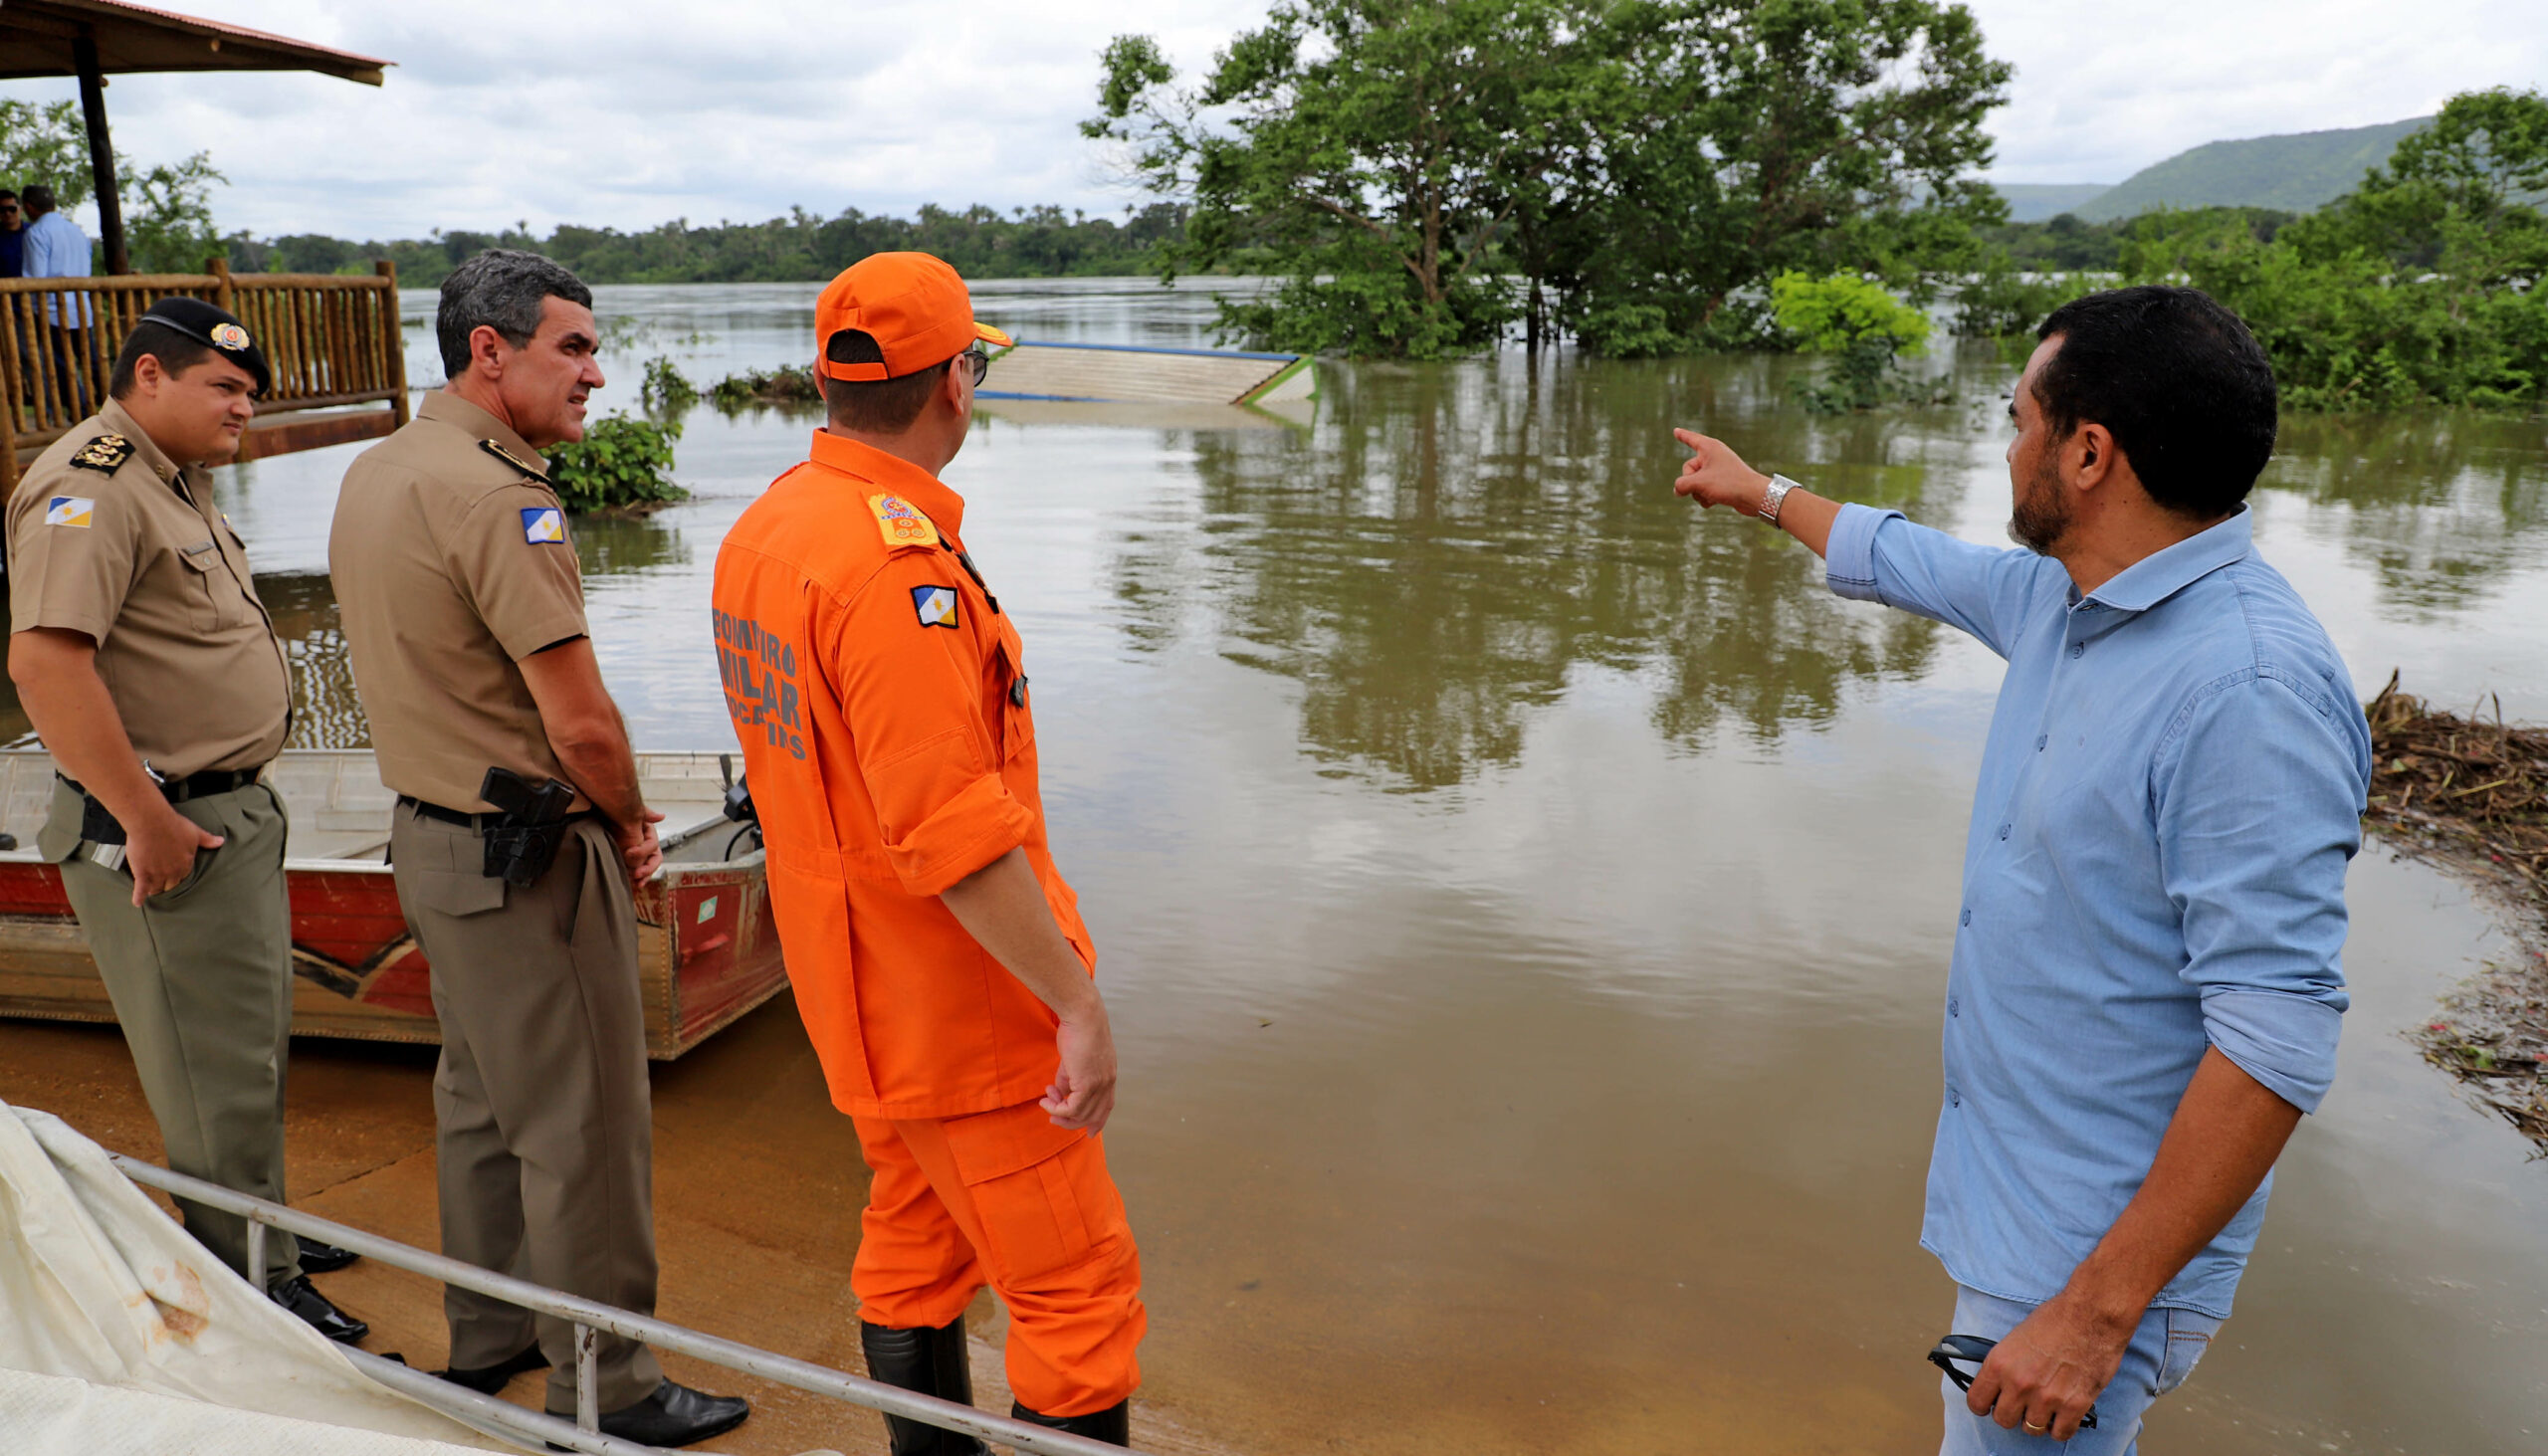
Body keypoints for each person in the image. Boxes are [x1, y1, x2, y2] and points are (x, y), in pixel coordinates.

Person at [1672, 285, 2367, 1454]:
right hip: (2020, 1202)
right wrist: (1767, 495)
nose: (2005, 452)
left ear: (2087, 452)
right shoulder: (2071, 597)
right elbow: (1918, 561)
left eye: (2016, 422)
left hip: (2088, 1252)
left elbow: (2278, 1032)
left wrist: (2096, 1314)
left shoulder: (2246, 689)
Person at [712, 252, 1145, 1451]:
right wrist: (1075, 1003)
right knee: (1076, 1292)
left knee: (915, 1240)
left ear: (828, 379)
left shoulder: (770, 529)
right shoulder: (894, 571)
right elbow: (950, 834)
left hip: (856, 994)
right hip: (965, 1006)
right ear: (957, 380)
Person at [327, 249, 746, 1448]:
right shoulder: (502, 495)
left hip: (432, 836)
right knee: (585, 1124)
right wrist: (623, 821)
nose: (597, 375)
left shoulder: (383, 466)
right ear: (489, 350)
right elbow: (579, 719)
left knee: (481, 1100)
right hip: (528, 857)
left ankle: (495, 1331)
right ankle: (607, 1385)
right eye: (572, 347)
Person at [5, 299, 368, 1343]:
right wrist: (144, 814)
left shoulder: (172, 480)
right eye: (225, 386)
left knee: (245, 1048)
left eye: (251, 392)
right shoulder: (91, 483)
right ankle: (254, 1285)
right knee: (211, 1067)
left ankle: (264, 1225)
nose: (244, 407)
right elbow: (44, 663)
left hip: (225, 808)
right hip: (168, 829)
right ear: (149, 377)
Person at [20, 184, 95, 411]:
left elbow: (36, 278)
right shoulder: (77, 231)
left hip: (54, 311)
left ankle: (80, 412)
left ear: (29, 207)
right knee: (91, 363)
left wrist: (31, 308)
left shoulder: (37, 233)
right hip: (83, 309)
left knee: (61, 367)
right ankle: (102, 407)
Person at [0, 188, 27, 278]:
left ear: (20, 209)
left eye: (12, 209)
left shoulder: (33, 232)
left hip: (33, 288)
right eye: (2, 210)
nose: (7, 213)